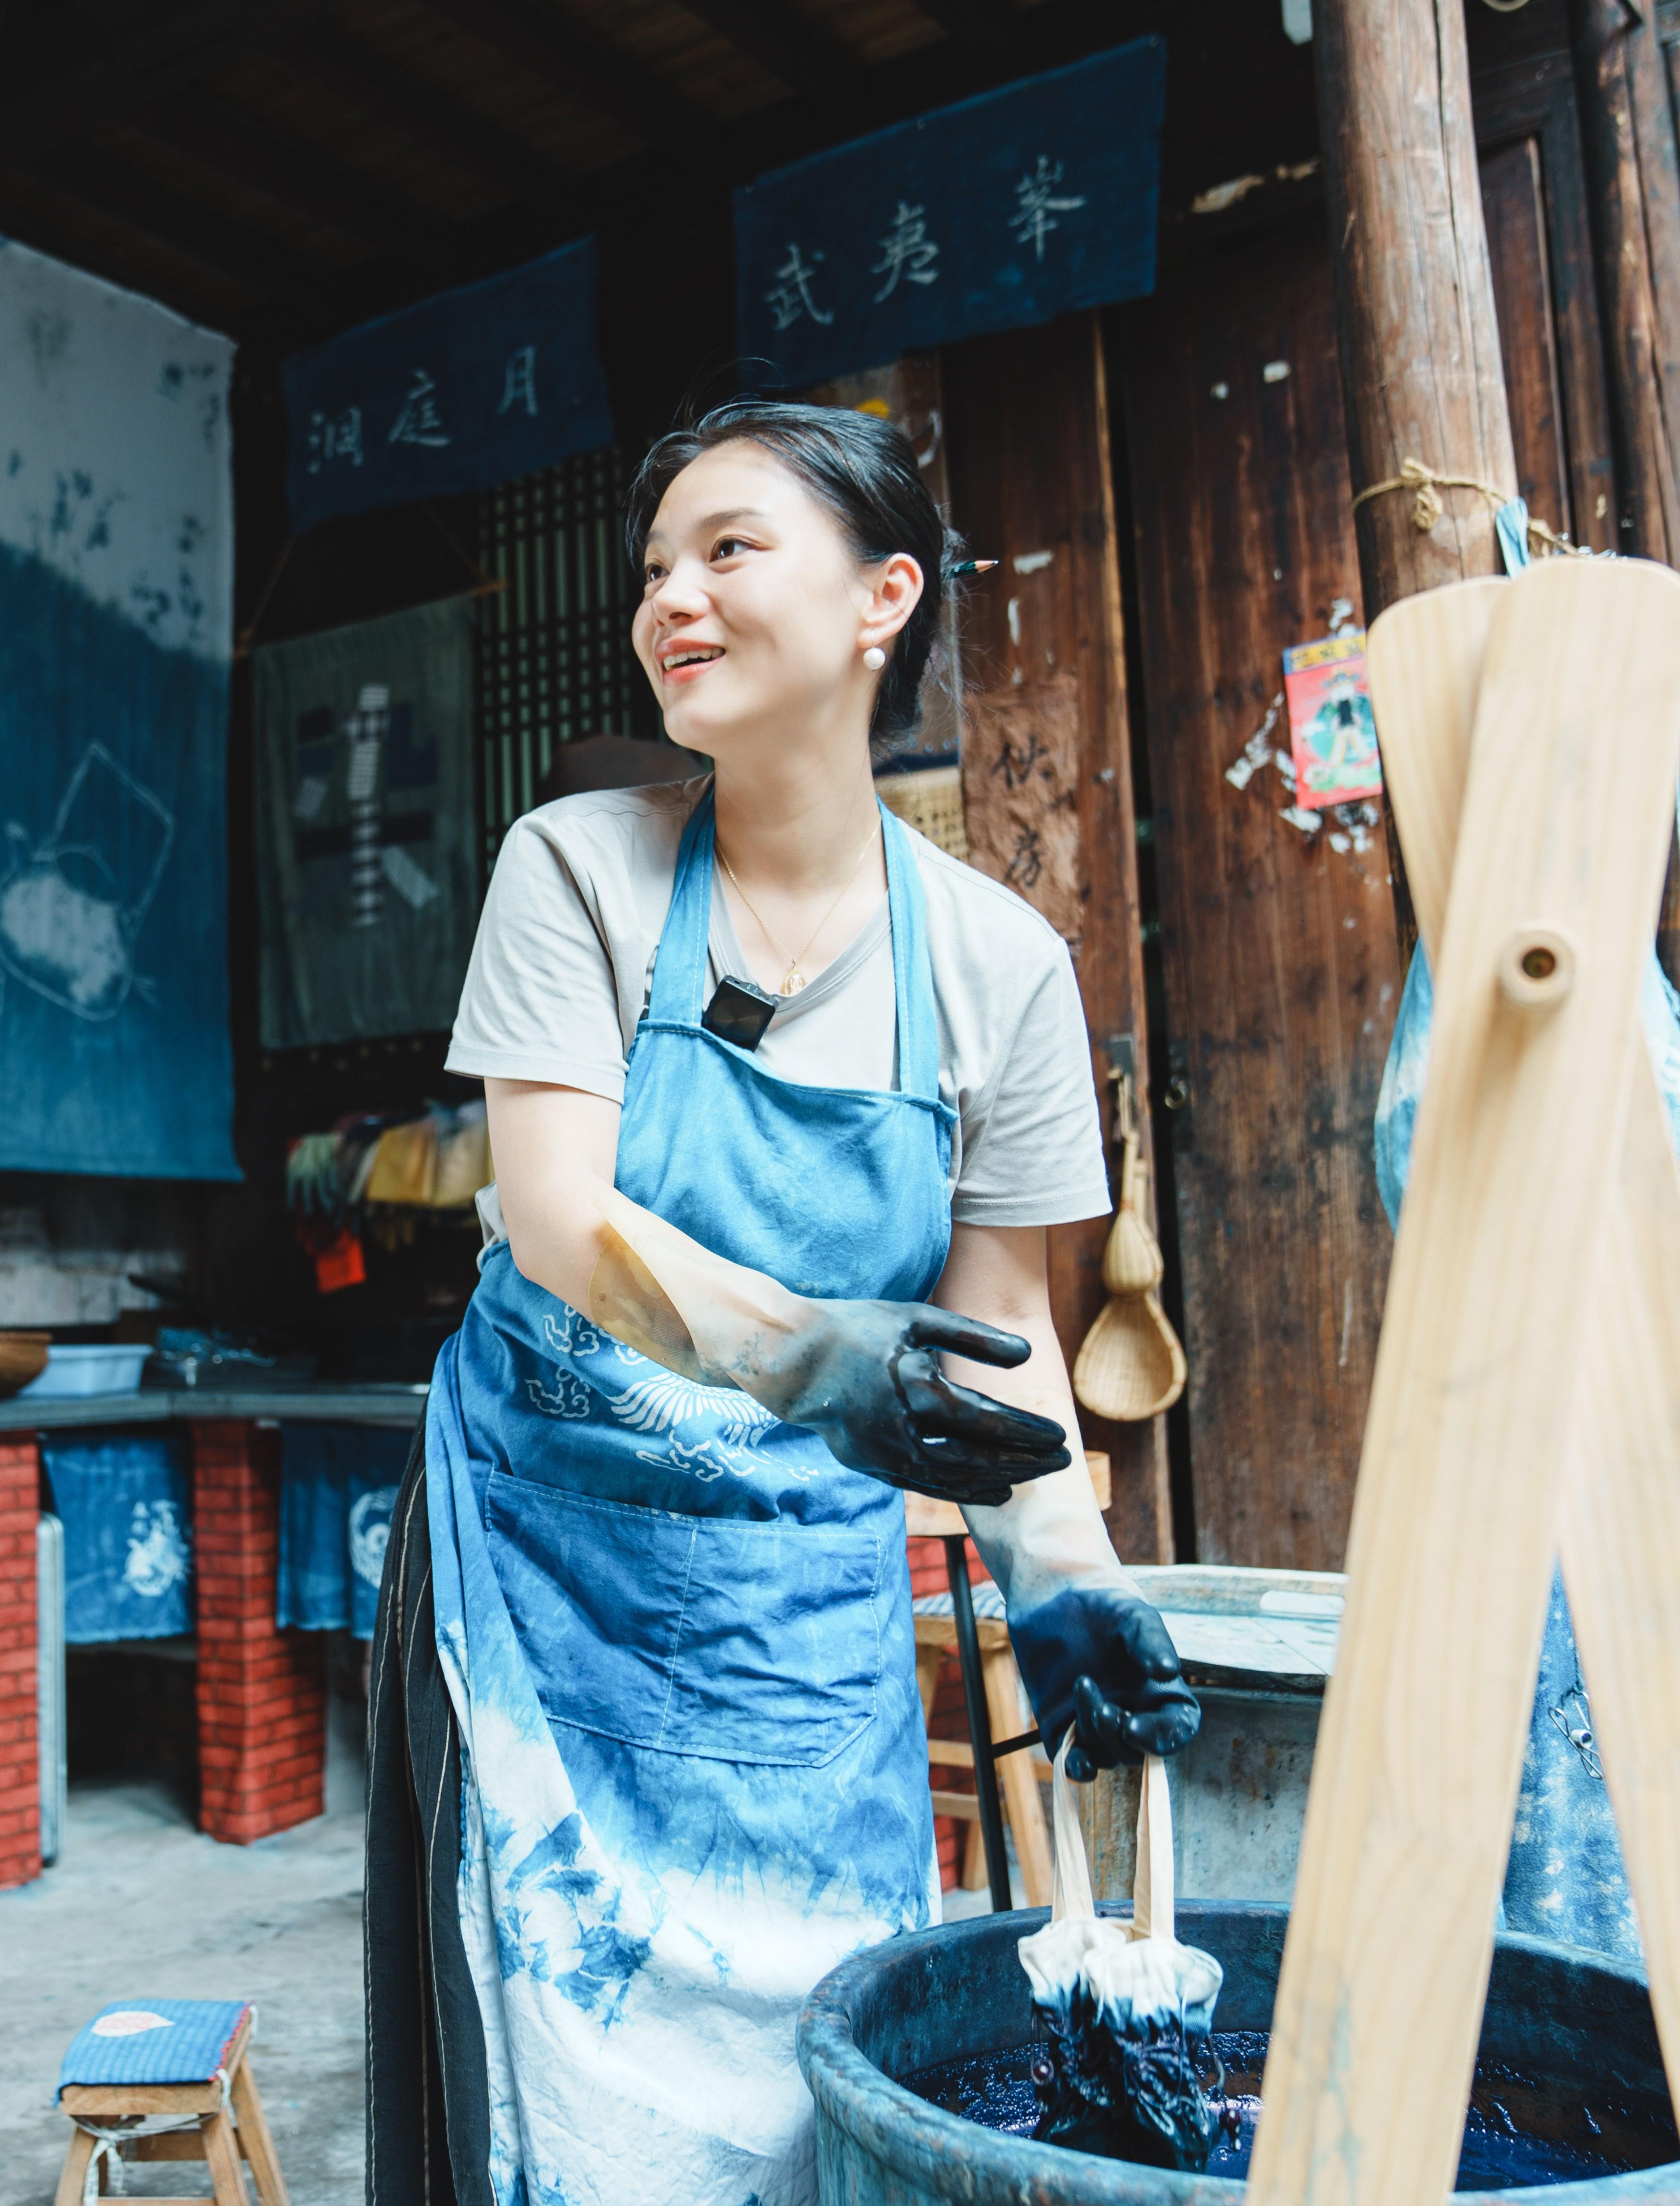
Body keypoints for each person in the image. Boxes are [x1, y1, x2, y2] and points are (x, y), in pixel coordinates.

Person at [366, 401, 1199, 2206]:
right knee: (539, 2126)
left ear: (879, 595)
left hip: (791, 1624)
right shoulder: (575, 865)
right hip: (533, 1581)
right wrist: (819, 1349)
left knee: (806, 2102)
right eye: (654, 564)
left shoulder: (997, 967)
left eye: (727, 547)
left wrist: (1066, 1582)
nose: (674, 593)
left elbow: (1002, 1347)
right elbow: (558, 1215)